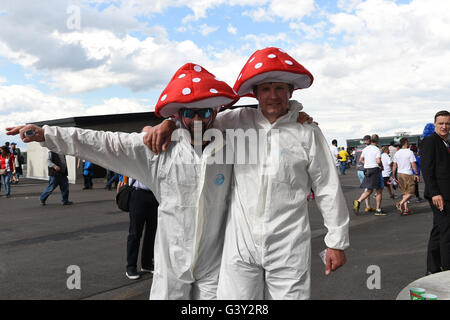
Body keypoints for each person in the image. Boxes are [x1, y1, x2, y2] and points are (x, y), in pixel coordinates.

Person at [7, 62, 238, 300]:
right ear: (178, 114)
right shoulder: (157, 149)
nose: (197, 119)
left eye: (205, 111)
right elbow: (105, 143)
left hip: (215, 263)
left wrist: (168, 123)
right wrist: (48, 133)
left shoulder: (234, 142)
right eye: (189, 113)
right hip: (172, 263)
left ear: (217, 111)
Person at [143, 47, 349, 300]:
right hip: (239, 246)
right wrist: (167, 123)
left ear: (290, 91)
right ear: (256, 93)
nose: (273, 95)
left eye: (279, 88)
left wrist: (336, 242)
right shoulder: (235, 121)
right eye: (266, 89)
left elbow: (327, 187)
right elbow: (197, 118)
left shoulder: (307, 133)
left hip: (288, 243)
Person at [420, 110, 450, 274]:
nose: (444, 126)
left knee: (438, 230)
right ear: (435, 124)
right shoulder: (430, 141)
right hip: (440, 195)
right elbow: (427, 169)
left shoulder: (446, 142)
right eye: (441, 123)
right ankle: (447, 269)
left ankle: (432, 268)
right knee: (447, 233)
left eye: (447, 123)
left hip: (445, 194)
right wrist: (435, 193)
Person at [125, 178, 159, 280]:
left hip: (154, 194)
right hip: (138, 193)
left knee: (151, 232)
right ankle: (131, 266)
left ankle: (147, 263)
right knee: (135, 232)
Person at [353, 134, 385, 216]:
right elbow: (378, 161)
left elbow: (361, 159)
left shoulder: (366, 149)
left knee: (369, 190)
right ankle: (378, 210)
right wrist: (381, 166)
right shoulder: (377, 149)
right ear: (377, 141)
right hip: (375, 170)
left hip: (367, 170)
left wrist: (367, 163)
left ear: (371, 140)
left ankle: (358, 201)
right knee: (379, 190)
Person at [392, 137, 419, 216]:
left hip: (399, 173)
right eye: (409, 141)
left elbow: (394, 165)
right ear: (406, 143)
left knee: (405, 192)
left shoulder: (397, 153)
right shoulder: (409, 152)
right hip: (407, 173)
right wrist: (416, 174)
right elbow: (413, 164)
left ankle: (405, 209)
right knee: (411, 192)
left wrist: (393, 175)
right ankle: (400, 203)